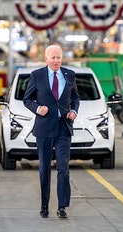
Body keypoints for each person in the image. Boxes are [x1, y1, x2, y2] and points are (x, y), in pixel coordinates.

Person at [23, 44, 80, 219]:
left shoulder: (69, 75)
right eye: (53, 58)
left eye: (58, 57)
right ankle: (44, 205)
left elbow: (75, 98)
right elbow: (27, 99)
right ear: (46, 58)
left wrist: (74, 111)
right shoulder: (37, 76)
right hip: (44, 129)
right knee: (44, 168)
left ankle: (62, 207)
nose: (56, 61)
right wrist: (38, 108)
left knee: (63, 168)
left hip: (64, 127)